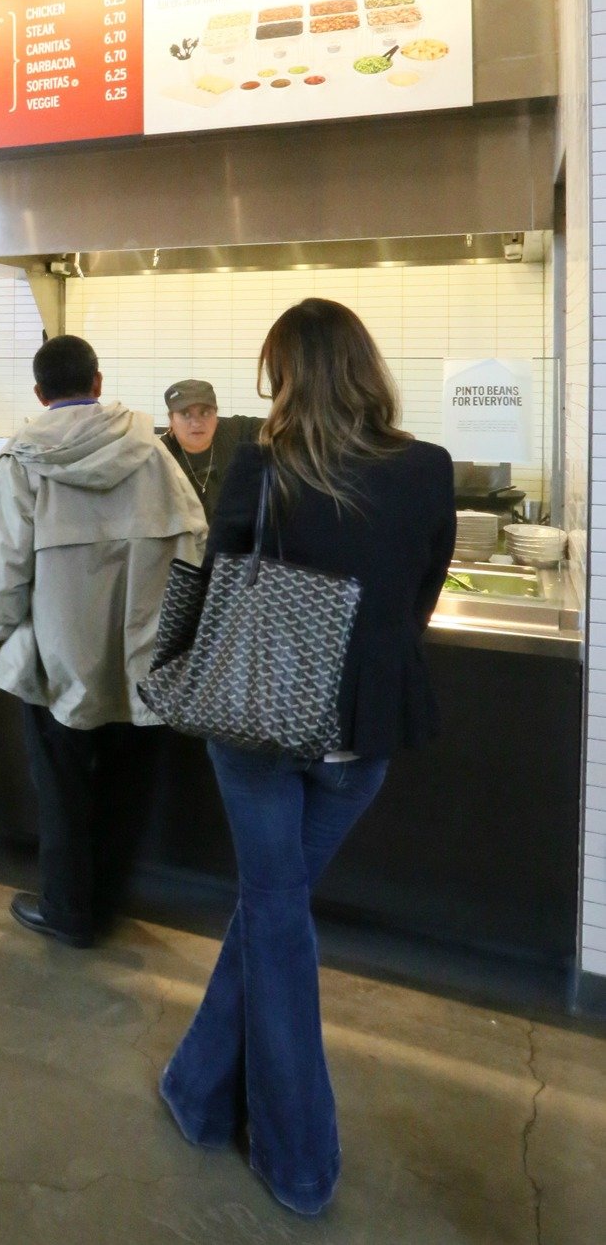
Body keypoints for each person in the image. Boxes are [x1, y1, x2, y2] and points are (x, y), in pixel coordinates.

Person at [159, 299, 456, 1217]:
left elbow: (220, 576)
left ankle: (299, 1158)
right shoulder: (429, 469)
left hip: (255, 717)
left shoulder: (262, 463)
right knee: (273, 909)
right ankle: (199, 1093)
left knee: (275, 916)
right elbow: (421, 595)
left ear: (285, 378)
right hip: (362, 730)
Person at [0, 336, 206, 947]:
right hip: (142, 655)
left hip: (57, 656)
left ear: (38, 393)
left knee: (63, 786)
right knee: (127, 784)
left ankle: (69, 911)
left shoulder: (21, 461)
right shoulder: (153, 453)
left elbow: (3, 568)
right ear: (98, 383)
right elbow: (194, 542)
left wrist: (2, 629)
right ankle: (106, 900)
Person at [160, 380, 262, 521]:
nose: (196, 423)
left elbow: (285, 426)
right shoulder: (159, 455)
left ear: (216, 415)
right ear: (171, 419)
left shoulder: (235, 431)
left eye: (205, 413)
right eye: (185, 414)